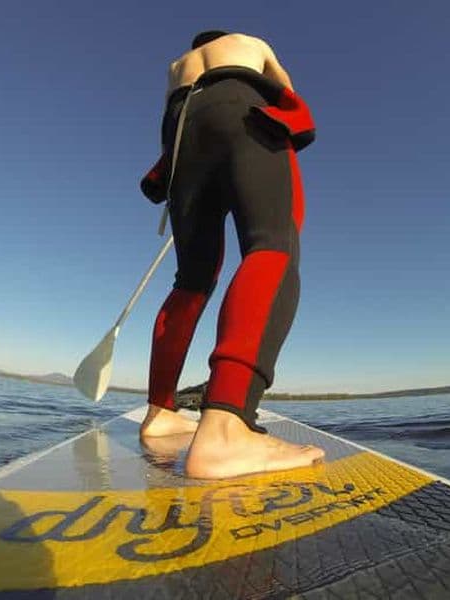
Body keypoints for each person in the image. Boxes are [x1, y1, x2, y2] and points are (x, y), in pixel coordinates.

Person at [139, 31, 324, 478]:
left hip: (183, 137)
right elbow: (287, 91)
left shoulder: (176, 66)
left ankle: (159, 413)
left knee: (191, 280)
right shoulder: (251, 42)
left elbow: (169, 118)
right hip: (241, 112)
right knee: (272, 244)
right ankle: (225, 430)